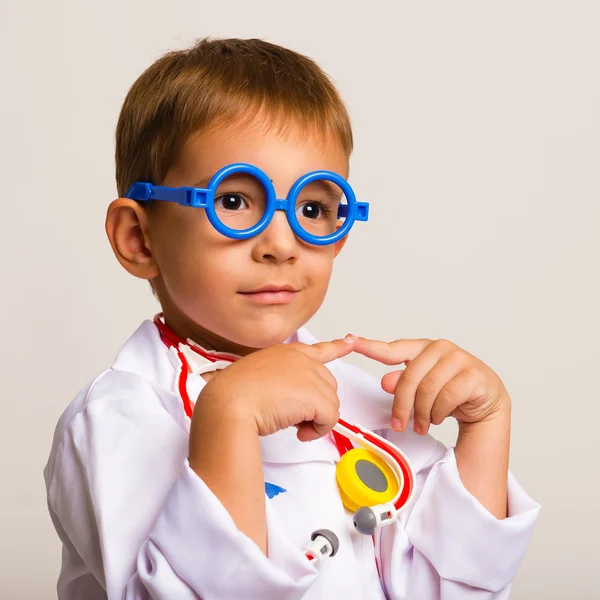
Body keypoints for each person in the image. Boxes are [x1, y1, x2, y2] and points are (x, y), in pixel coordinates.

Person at [43, 37, 540, 599]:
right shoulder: (117, 418)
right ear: (140, 238)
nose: (281, 244)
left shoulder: (362, 402)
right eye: (232, 202)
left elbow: (451, 591)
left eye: (311, 209)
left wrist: (485, 426)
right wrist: (227, 415)